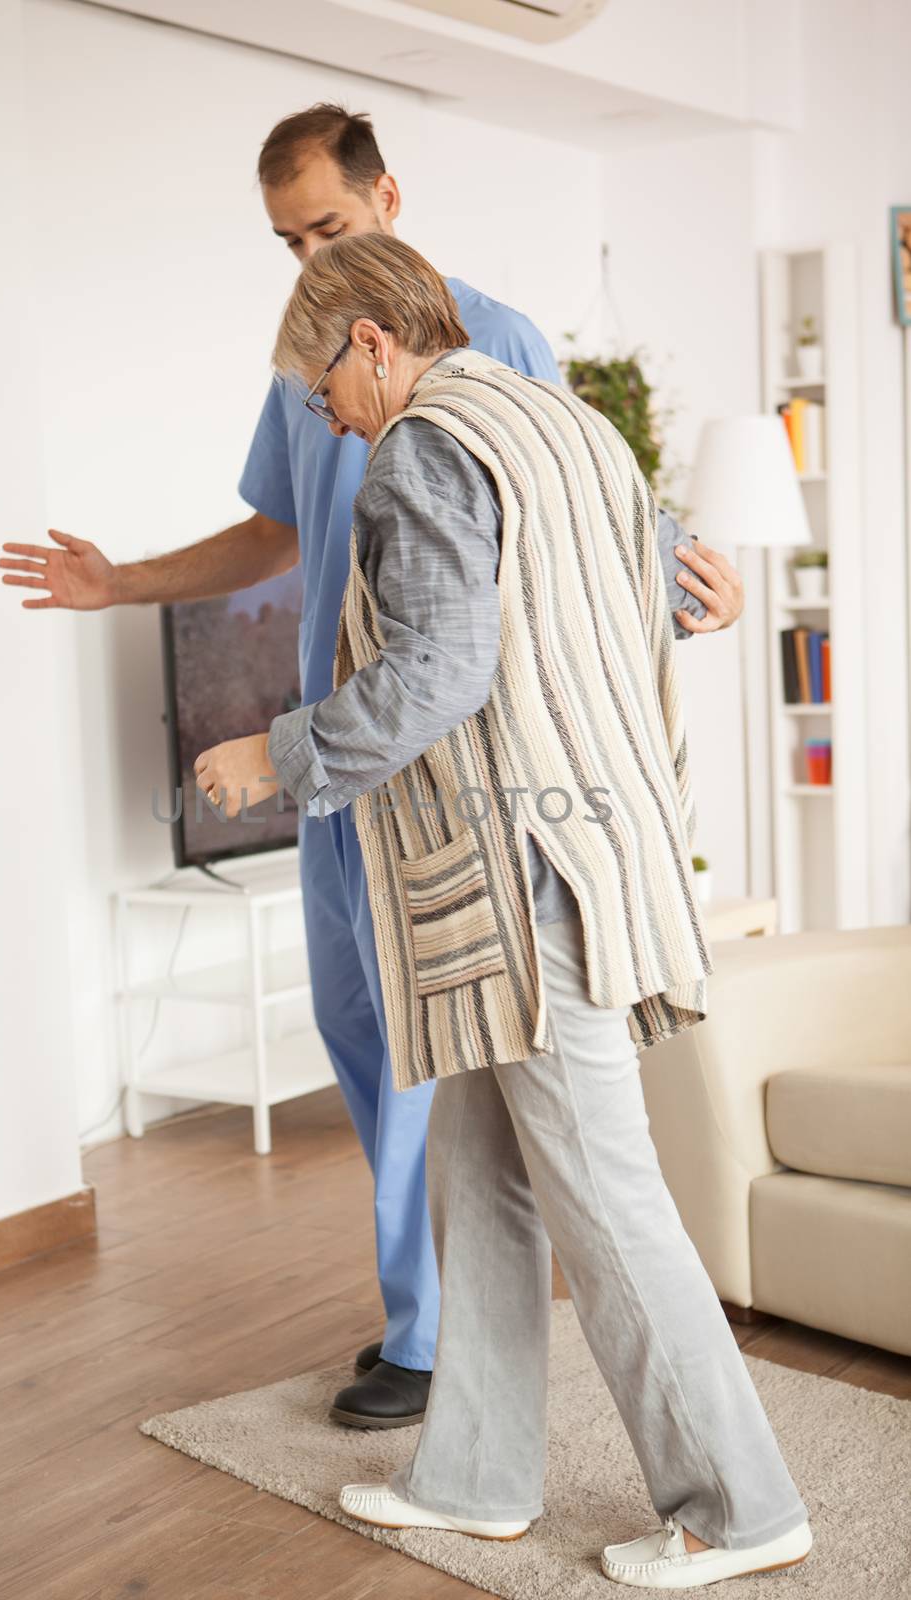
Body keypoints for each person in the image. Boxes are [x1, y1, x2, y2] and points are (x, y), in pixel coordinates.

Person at [0, 102, 746, 1429]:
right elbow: (273, 533)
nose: (306, 264)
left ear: (389, 201)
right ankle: (437, 1328)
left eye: (327, 231)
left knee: (444, 1055)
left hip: (447, 772)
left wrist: (691, 578)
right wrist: (121, 587)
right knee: (365, 1041)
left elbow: (575, 503)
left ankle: (437, 1337)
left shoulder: (492, 342)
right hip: (341, 770)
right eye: (287, 241)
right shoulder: (307, 359)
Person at [250, 230, 812, 1589]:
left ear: (371, 344)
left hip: (520, 888)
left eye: (323, 390)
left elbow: (437, 673)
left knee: (610, 1202)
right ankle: (479, 1474)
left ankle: (740, 1506)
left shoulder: (424, 450)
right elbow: (629, 607)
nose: (326, 420)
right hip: (583, 860)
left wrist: (278, 754)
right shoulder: (564, 424)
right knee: (481, 1173)